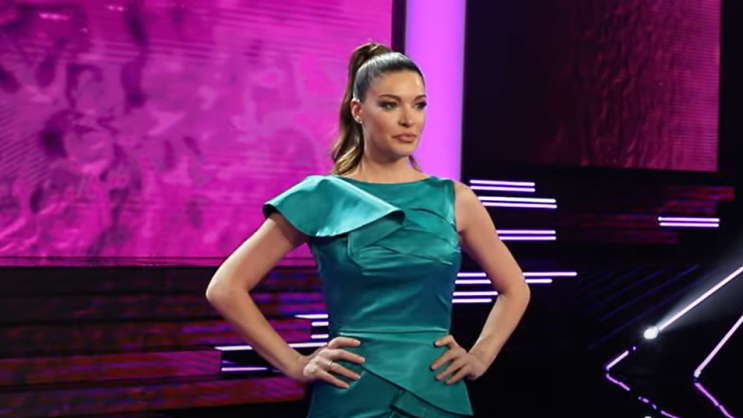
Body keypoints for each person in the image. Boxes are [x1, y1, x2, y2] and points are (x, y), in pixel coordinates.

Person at [205, 42, 531, 418]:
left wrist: (480, 356)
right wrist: (294, 364)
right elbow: (225, 288)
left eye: (419, 104)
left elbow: (515, 288)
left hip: (437, 392)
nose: (408, 119)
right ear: (358, 111)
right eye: (390, 105)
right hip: (350, 394)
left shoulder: (454, 199)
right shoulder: (322, 195)